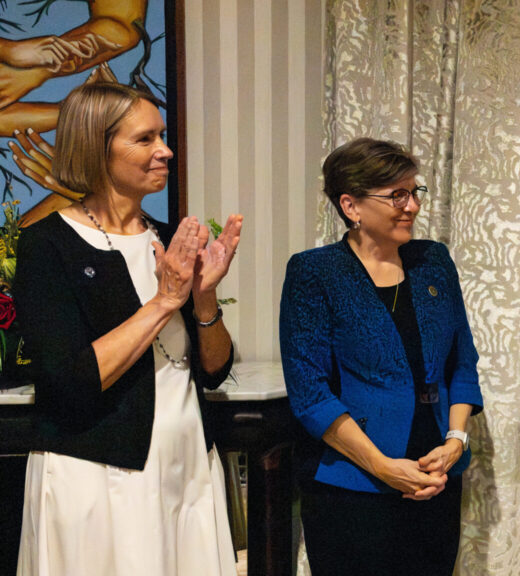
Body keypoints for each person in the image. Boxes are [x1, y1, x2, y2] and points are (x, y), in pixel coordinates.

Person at [13, 82, 243, 575]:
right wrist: (164, 301)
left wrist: (203, 299)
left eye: (162, 136)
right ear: (97, 146)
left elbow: (214, 371)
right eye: (145, 139)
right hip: (98, 477)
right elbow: (71, 380)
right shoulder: (47, 246)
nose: (166, 150)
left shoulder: (167, 239)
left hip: (186, 467)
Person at [280, 137, 483, 575]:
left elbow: (462, 363)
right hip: (352, 486)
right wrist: (384, 467)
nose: (411, 205)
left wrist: (456, 440)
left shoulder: (434, 261)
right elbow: (310, 395)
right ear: (350, 206)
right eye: (396, 195)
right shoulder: (314, 273)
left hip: (436, 479)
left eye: (414, 192)